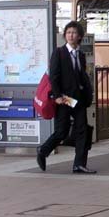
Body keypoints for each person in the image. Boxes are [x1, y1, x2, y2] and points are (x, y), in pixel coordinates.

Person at [37, 21, 95, 174]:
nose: (71, 35)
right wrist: (57, 96)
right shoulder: (59, 52)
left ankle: (79, 164)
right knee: (61, 131)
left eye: (74, 32)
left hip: (79, 100)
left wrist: (88, 95)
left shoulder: (80, 55)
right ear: (65, 35)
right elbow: (54, 76)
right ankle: (43, 151)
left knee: (82, 130)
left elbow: (82, 76)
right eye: (68, 32)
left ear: (79, 36)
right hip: (64, 99)